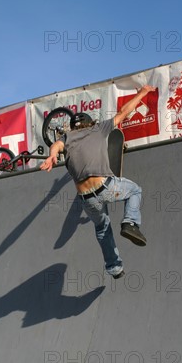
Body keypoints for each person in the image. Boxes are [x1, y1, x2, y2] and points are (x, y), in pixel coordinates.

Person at [40, 85, 156, 279]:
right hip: (106, 187)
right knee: (135, 190)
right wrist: (142, 93)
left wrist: (52, 156)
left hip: (87, 200)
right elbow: (123, 113)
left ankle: (114, 268)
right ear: (89, 122)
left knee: (102, 228)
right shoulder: (99, 128)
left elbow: (56, 145)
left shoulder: (67, 138)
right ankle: (130, 223)